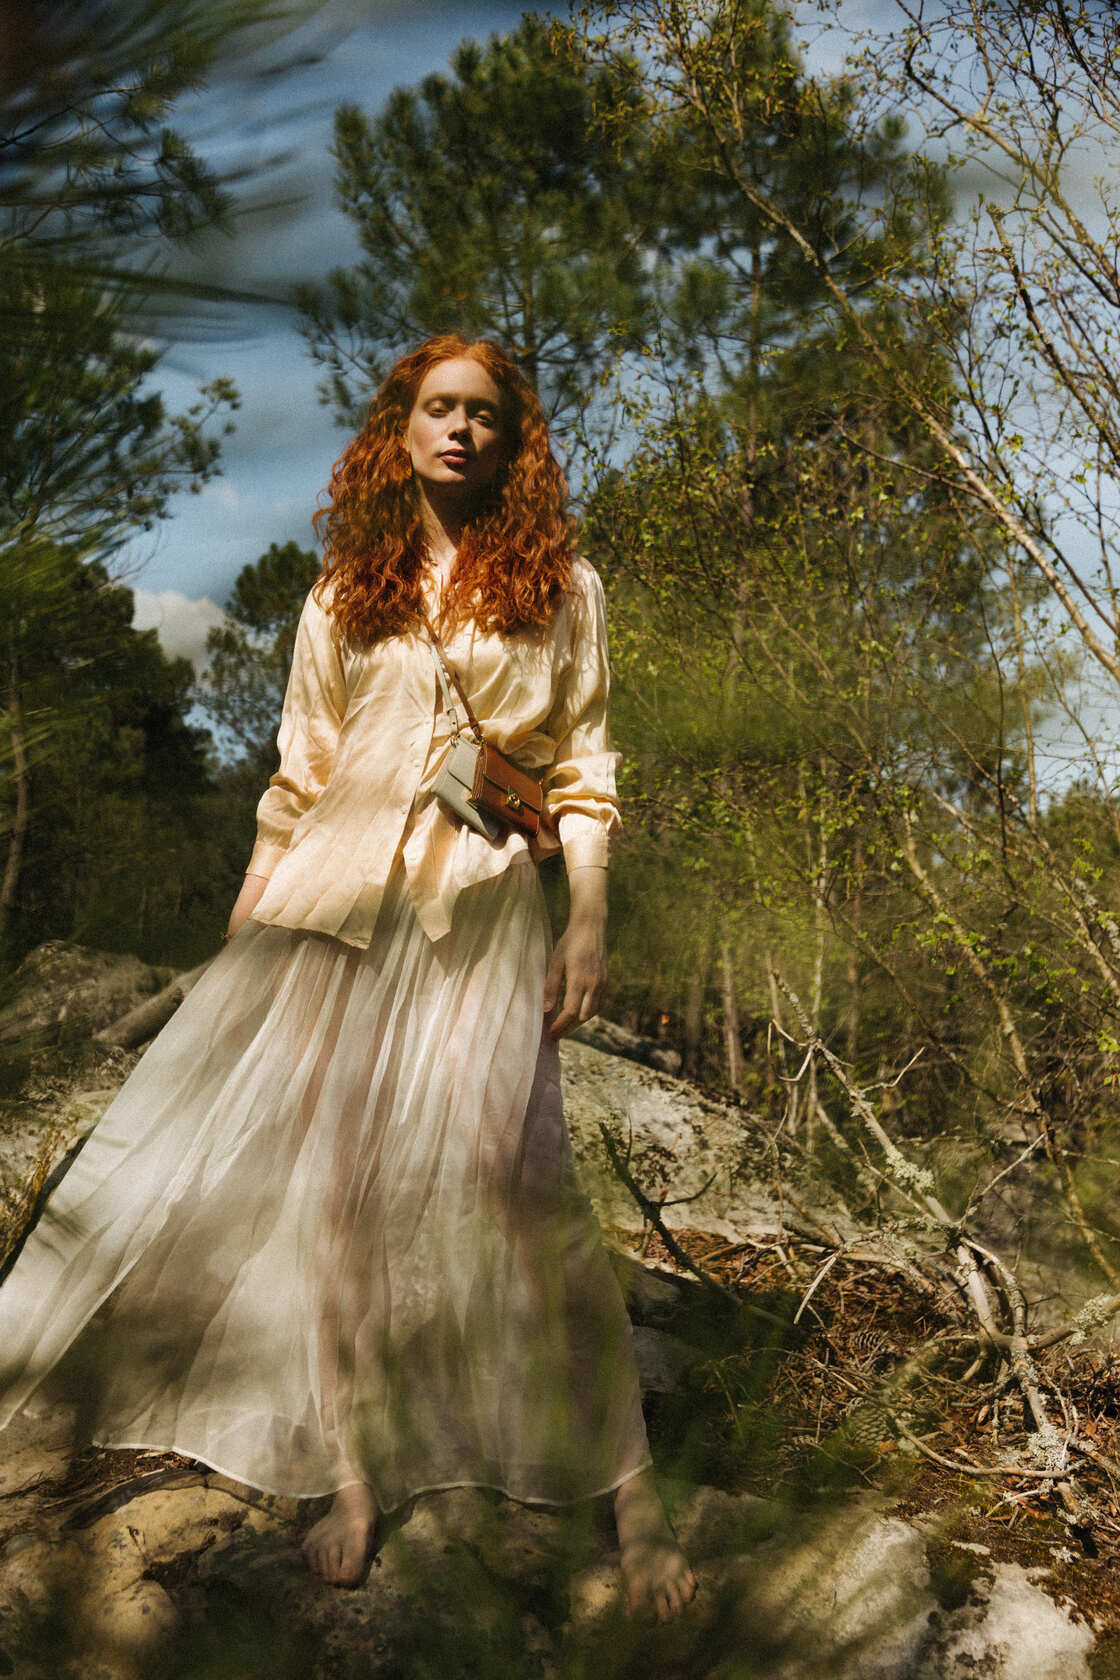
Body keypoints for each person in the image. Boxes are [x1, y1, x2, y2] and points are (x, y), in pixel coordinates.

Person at [0, 334, 697, 1623]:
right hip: (330, 910)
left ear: (513, 441)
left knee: (525, 1192)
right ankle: (355, 1474)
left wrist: (588, 918)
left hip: (479, 910)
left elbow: (584, 770)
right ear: (401, 429)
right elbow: (298, 777)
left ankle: (633, 1492)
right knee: (336, 1203)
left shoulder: (563, 588)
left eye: (483, 414)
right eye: (439, 408)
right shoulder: (344, 590)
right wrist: (247, 928)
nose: (460, 430)